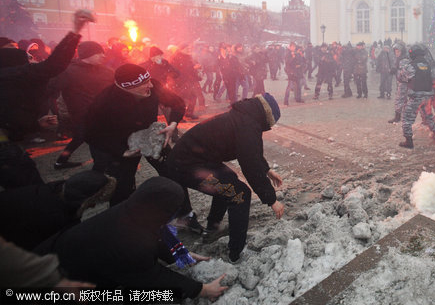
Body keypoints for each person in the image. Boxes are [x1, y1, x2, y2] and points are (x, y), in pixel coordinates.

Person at [35, 177, 228, 301]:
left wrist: (182, 254)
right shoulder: (128, 242)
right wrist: (201, 290)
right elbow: (152, 276)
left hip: (65, 259)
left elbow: (157, 233)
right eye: (173, 209)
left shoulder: (134, 211)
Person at [167, 93, 284, 263]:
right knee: (239, 194)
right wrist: (271, 199)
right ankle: (235, 252)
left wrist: (267, 170)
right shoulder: (247, 125)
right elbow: (250, 164)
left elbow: (252, 152)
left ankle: (212, 228)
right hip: (187, 166)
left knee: (229, 178)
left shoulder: (245, 117)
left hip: (196, 161)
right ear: (266, 117)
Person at [0, 10, 94, 189]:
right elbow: (53, 65)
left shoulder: (11, 77)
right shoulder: (13, 74)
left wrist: (36, 125)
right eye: (13, 50)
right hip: (5, 152)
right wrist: (75, 31)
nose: (24, 55)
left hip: (9, 145)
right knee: (31, 192)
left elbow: (10, 117)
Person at [84, 63, 186, 206]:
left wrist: (173, 124)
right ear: (127, 87)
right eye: (144, 84)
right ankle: (123, 220)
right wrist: (121, 152)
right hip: (123, 145)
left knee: (173, 173)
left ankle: (185, 214)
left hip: (152, 136)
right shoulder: (104, 102)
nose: (150, 85)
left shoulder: (153, 85)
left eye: (149, 80)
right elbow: (90, 134)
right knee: (122, 188)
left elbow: (178, 103)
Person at [0, 170, 115, 250]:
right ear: (85, 201)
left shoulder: (56, 188)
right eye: (93, 203)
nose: (93, 206)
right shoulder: (55, 218)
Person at [48, 41, 114, 169]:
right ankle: (100, 169)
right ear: (88, 54)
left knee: (81, 137)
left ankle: (61, 161)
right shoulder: (68, 71)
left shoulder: (105, 70)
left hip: (102, 113)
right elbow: (50, 91)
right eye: (99, 53)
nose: (103, 56)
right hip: (81, 114)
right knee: (91, 138)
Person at [397, 44, 435, 148]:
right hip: (427, 96)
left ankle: (409, 141)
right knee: (429, 116)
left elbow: (401, 77)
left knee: (406, 118)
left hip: (416, 96)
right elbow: (434, 80)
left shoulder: (411, 66)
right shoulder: (429, 65)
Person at [388, 42, 408, 123]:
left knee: (399, 99)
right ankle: (402, 116)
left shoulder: (404, 60)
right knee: (403, 100)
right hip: (401, 82)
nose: (396, 53)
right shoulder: (399, 59)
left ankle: (398, 117)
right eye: (395, 52)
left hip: (403, 83)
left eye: (398, 52)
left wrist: (396, 71)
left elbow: (404, 73)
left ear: (402, 51)